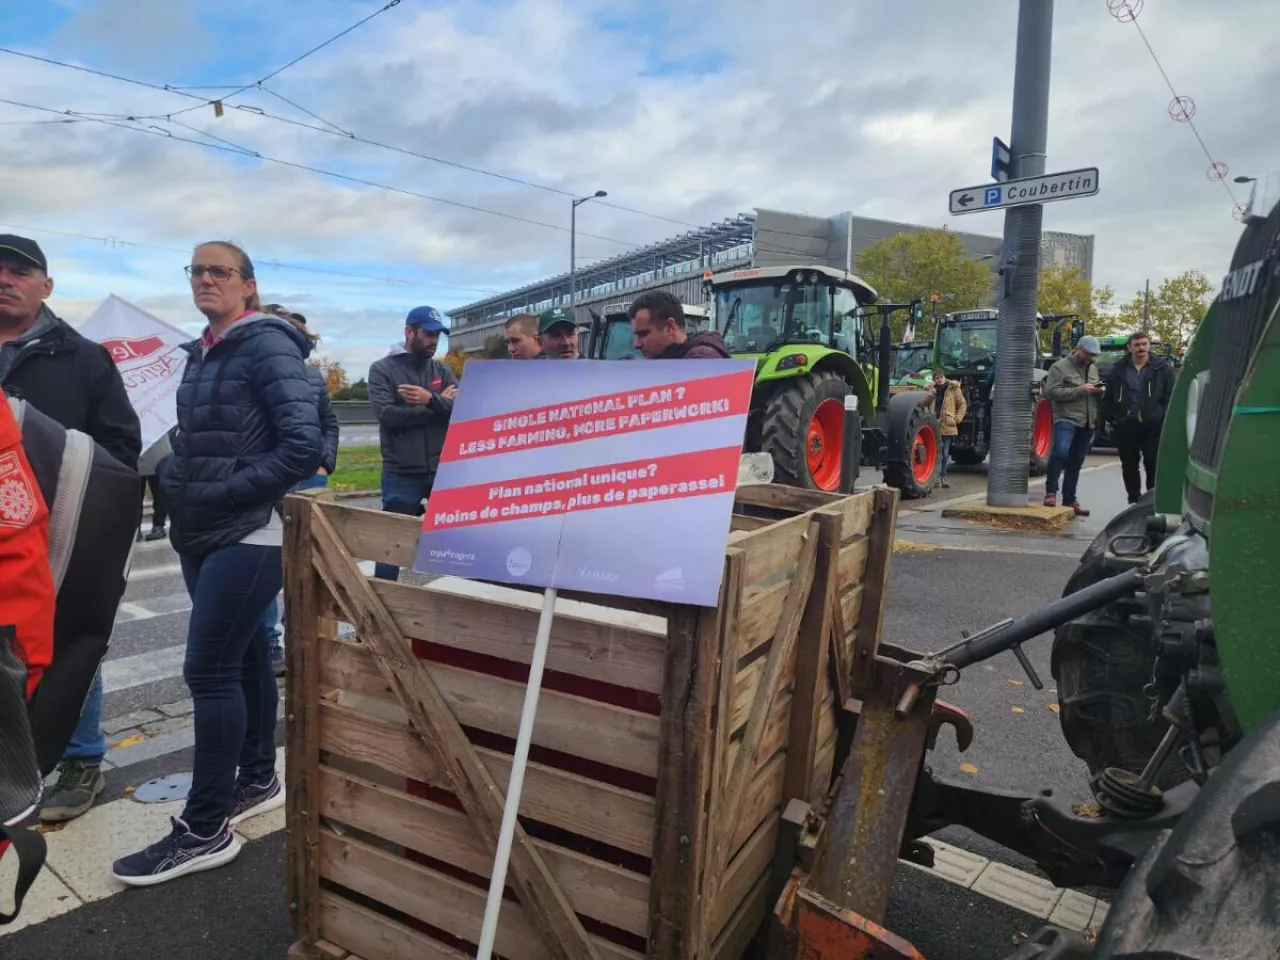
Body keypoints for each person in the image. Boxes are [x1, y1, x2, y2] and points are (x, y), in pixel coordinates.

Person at [112, 241, 321, 886]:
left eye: (219, 271)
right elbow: (192, 437)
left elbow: (303, 446)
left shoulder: (266, 344)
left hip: (248, 532)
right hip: (202, 530)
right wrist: (176, 476)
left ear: (248, 285)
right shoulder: (198, 353)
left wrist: (221, 491)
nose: (206, 279)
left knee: (208, 670)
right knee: (249, 658)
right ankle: (257, 778)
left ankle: (205, 829)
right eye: (197, 270)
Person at [0, 234, 141, 825]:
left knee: (65, 642)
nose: (5, 279)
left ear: (46, 286)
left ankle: (80, 759)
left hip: (52, 529)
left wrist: (53, 458)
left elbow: (120, 448)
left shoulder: (84, 357)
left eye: (20, 271)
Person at [258, 305, 339, 674]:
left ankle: (303, 637)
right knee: (266, 565)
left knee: (310, 565)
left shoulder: (312, 377)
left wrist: (324, 465)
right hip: (267, 483)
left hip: (309, 480)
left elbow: (329, 423)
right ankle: (269, 643)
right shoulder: (253, 371)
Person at [368, 306, 457, 581]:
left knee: (457, 544)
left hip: (443, 470)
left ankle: (462, 606)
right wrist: (439, 403)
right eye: (428, 334)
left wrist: (429, 399)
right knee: (391, 547)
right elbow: (388, 416)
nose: (433, 341)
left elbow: (461, 411)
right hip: (401, 472)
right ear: (410, 332)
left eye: (438, 336)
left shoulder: (443, 369)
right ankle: (381, 608)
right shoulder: (382, 370)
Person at [1103, 330, 1174, 504]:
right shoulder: (1118, 370)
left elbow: (1170, 395)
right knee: (1129, 464)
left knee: (1153, 463)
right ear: (1129, 348)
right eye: (1137, 345)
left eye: (1144, 344)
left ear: (1149, 346)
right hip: (1126, 424)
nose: (1141, 348)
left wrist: (1163, 417)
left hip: (1153, 424)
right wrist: (1113, 418)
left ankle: (1151, 500)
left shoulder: (1162, 368)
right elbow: (1109, 397)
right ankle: (1133, 499)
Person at [1042, 334, 1105, 516]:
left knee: (1076, 460)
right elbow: (1051, 392)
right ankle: (1051, 492)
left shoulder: (1093, 369)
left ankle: (1070, 499)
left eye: (1093, 355)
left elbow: (1093, 390)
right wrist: (1080, 390)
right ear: (1078, 349)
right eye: (1087, 354)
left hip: (1087, 420)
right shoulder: (1059, 367)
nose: (1090, 358)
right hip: (1066, 417)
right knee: (1061, 451)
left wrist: (1099, 391)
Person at [629, 290, 731, 359]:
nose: (636, 344)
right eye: (636, 336)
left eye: (643, 334)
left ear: (670, 327)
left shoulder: (700, 362)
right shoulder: (675, 361)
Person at [917, 370, 968, 489]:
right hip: (933, 423)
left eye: (941, 377)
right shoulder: (930, 390)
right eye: (937, 378)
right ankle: (935, 478)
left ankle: (941, 476)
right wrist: (931, 394)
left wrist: (957, 419)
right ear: (934, 380)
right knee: (935, 452)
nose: (940, 380)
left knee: (945, 453)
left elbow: (962, 404)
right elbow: (922, 403)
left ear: (945, 378)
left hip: (948, 424)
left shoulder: (954, 388)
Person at [137, 430, 173, 542]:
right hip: (138, 451)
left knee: (160, 494)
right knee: (135, 497)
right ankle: (137, 529)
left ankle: (158, 526)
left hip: (157, 451)